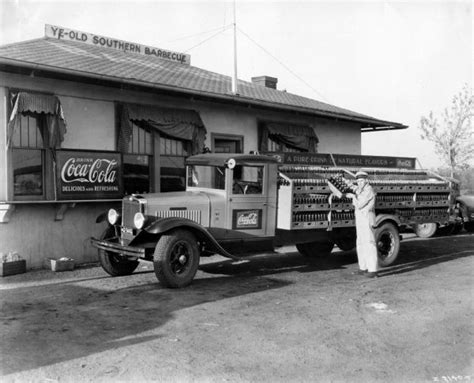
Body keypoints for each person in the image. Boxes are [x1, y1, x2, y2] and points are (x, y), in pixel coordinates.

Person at [346, 170, 379, 278]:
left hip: (367, 219)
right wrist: (343, 180)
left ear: (366, 180)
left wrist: (352, 197)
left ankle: (373, 270)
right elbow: (353, 187)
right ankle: (363, 267)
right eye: (358, 181)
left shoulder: (368, 190)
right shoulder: (360, 188)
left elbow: (360, 204)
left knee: (369, 243)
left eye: (361, 180)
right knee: (360, 243)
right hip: (360, 219)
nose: (359, 183)